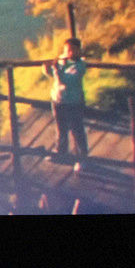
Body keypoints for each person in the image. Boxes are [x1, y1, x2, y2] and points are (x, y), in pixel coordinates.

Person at [43, 37, 89, 171]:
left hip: (73, 102)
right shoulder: (63, 61)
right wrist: (47, 68)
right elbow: (53, 75)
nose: (69, 53)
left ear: (78, 50)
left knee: (77, 130)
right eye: (67, 50)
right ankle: (61, 151)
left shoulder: (80, 65)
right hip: (58, 100)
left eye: (72, 50)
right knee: (61, 128)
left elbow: (66, 80)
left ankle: (82, 158)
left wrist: (57, 70)